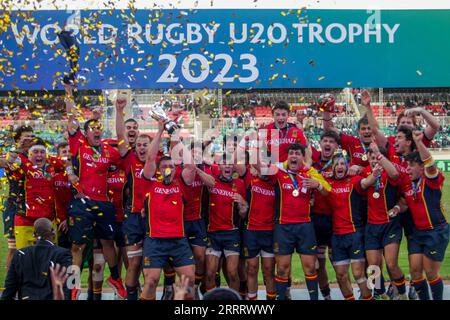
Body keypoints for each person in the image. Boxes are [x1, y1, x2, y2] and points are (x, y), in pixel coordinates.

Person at [64, 83, 126, 300]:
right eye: (93, 127)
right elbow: (72, 119)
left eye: (100, 127)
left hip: (103, 203)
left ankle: (115, 278)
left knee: (109, 242)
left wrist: (119, 112)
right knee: (77, 246)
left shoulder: (109, 150)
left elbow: (124, 147)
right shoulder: (78, 145)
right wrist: (69, 93)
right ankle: (73, 285)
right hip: (82, 202)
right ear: (86, 132)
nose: (97, 129)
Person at [254, 143, 330, 300]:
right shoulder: (279, 170)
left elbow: (327, 191)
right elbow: (260, 168)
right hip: (283, 227)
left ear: (303, 157)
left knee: (310, 267)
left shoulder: (310, 172)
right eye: (291, 153)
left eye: (297, 153)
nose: (294, 156)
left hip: (305, 226)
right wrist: (255, 146)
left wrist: (318, 184)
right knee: (282, 268)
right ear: (287, 156)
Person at [140, 119, 197, 300]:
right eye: (164, 166)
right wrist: (159, 131)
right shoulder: (150, 182)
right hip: (155, 240)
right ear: (158, 169)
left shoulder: (181, 183)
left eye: (171, 166)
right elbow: (150, 158)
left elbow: (191, 166)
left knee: (188, 282)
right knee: (150, 281)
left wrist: (175, 136)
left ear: (175, 170)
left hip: (178, 240)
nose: (167, 169)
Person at [398, 132, 449, 300]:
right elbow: (405, 202)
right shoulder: (410, 183)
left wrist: (419, 142)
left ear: (421, 167)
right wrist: (397, 208)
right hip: (418, 233)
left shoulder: (432, 180)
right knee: (415, 272)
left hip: (436, 232)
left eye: (411, 165)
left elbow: (431, 164)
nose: (408, 169)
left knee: (431, 272)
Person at [360, 143, 407, 300]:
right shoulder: (365, 172)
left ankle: (401, 293)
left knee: (391, 264)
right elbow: (363, 183)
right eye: (372, 158)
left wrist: (379, 155)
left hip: (390, 224)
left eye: (377, 157)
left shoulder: (389, 172)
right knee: (373, 266)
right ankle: (380, 294)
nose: (374, 161)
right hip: (372, 226)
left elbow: (395, 175)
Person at [327, 153, 373, 300]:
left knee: (358, 273)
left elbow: (366, 183)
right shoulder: (328, 182)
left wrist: (375, 174)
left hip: (354, 233)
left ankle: (373, 295)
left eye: (342, 164)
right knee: (340, 275)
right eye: (337, 164)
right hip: (336, 236)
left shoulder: (354, 181)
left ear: (347, 167)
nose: (340, 166)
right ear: (332, 168)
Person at [2, 218, 72, 300]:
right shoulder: (62, 254)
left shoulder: (20, 254)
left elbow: (9, 289)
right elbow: (67, 288)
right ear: (53, 232)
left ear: (34, 235)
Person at [0, 125, 35, 271]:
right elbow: (4, 162)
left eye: (31, 136)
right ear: (17, 140)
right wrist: (17, 150)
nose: (29, 139)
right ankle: (10, 288)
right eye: (26, 136)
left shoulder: (34, 156)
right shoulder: (13, 155)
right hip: (14, 205)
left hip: (32, 205)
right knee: (14, 249)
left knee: (30, 248)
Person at [310, 131, 340, 300]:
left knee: (339, 266)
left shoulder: (341, 163)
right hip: (318, 219)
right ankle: (327, 296)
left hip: (337, 220)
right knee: (318, 264)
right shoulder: (312, 163)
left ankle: (372, 291)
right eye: (325, 141)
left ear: (336, 146)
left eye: (331, 141)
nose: (328, 144)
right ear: (320, 143)